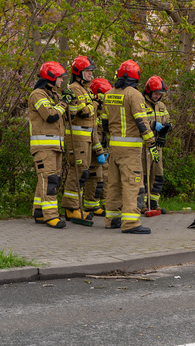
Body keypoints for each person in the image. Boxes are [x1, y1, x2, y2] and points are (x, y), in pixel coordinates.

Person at [101, 59, 158, 234]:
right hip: (130, 149)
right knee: (132, 184)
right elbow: (142, 122)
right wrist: (152, 143)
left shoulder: (109, 93)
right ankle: (130, 223)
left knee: (114, 184)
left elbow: (104, 123)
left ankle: (111, 219)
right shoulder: (134, 94)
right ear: (136, 77)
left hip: (114, 147)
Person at [61, 56, 102, 225]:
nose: (90, 74)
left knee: (83, 172)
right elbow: (84, 112)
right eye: (87, 71)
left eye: (91, 71)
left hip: (86, 137)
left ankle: (76, 206)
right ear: (78, 73)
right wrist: (95, 104)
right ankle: (71, 209)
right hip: (77, 138)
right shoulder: (75, 89)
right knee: (77, 171)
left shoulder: (85, 90)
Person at [28, 61, 68, 229]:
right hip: (43, 147)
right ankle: (51, 216)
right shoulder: (37, 95)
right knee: (49, 180)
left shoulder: (53, 95)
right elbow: (50, 115)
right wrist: (63, 104)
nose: (62, 82)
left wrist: (67, 100)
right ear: (51, 78)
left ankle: (39, 212)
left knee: (47, 180)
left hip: (55, 146)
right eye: (60, 78)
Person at [83, 77, 112, 216]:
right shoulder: (93, 112)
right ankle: (90, 205)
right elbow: (93, 133)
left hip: (103, 150)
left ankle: (100, 204)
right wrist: (99, 150)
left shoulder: (103, 112)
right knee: (94, 177)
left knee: (103, 179)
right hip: (95, 151)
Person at [142, 75, 171, 214]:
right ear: (149, 91)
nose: (157, 96)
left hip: (157, 147)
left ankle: (154, 202)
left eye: (159, 94)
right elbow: (138, 122)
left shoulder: (161, 106)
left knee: (157, 175)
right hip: (144, 146)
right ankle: (142, 204)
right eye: (155, 94)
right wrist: (152, 124)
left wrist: (166, 129)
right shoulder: (141, 103)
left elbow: (167, 121)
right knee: (144, 175)